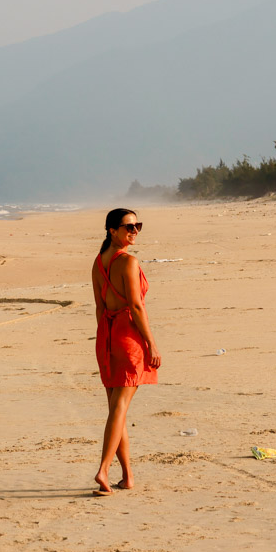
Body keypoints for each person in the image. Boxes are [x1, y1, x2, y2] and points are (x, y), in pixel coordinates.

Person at [91, 207, 161, 495]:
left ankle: (127, 476)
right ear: (112, 231)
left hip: (106, 335)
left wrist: (105, 339)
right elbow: (136, 305)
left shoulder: (98, 262)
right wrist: (151, 343)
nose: (134, 231)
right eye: (129, 227)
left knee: (116, 410)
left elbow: (99, 307)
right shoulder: (129, 262)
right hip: (128, 335)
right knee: (119, 407)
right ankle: (104, 470)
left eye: (137, 226)